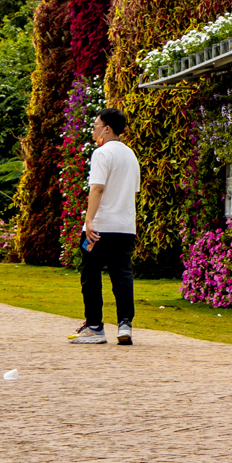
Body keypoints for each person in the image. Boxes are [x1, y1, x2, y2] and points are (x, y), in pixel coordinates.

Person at [68, 108, 141, 347]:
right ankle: (125, 323)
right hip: (124, 226)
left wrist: (89, 221)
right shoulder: (131, 156)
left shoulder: (102, 153)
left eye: (97, 125)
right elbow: (132, 192)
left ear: (107, 128)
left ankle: (95, 326)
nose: (94, 129)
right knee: (122, 275)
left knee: (91, 274)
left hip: (100, 227)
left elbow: (97, 189)